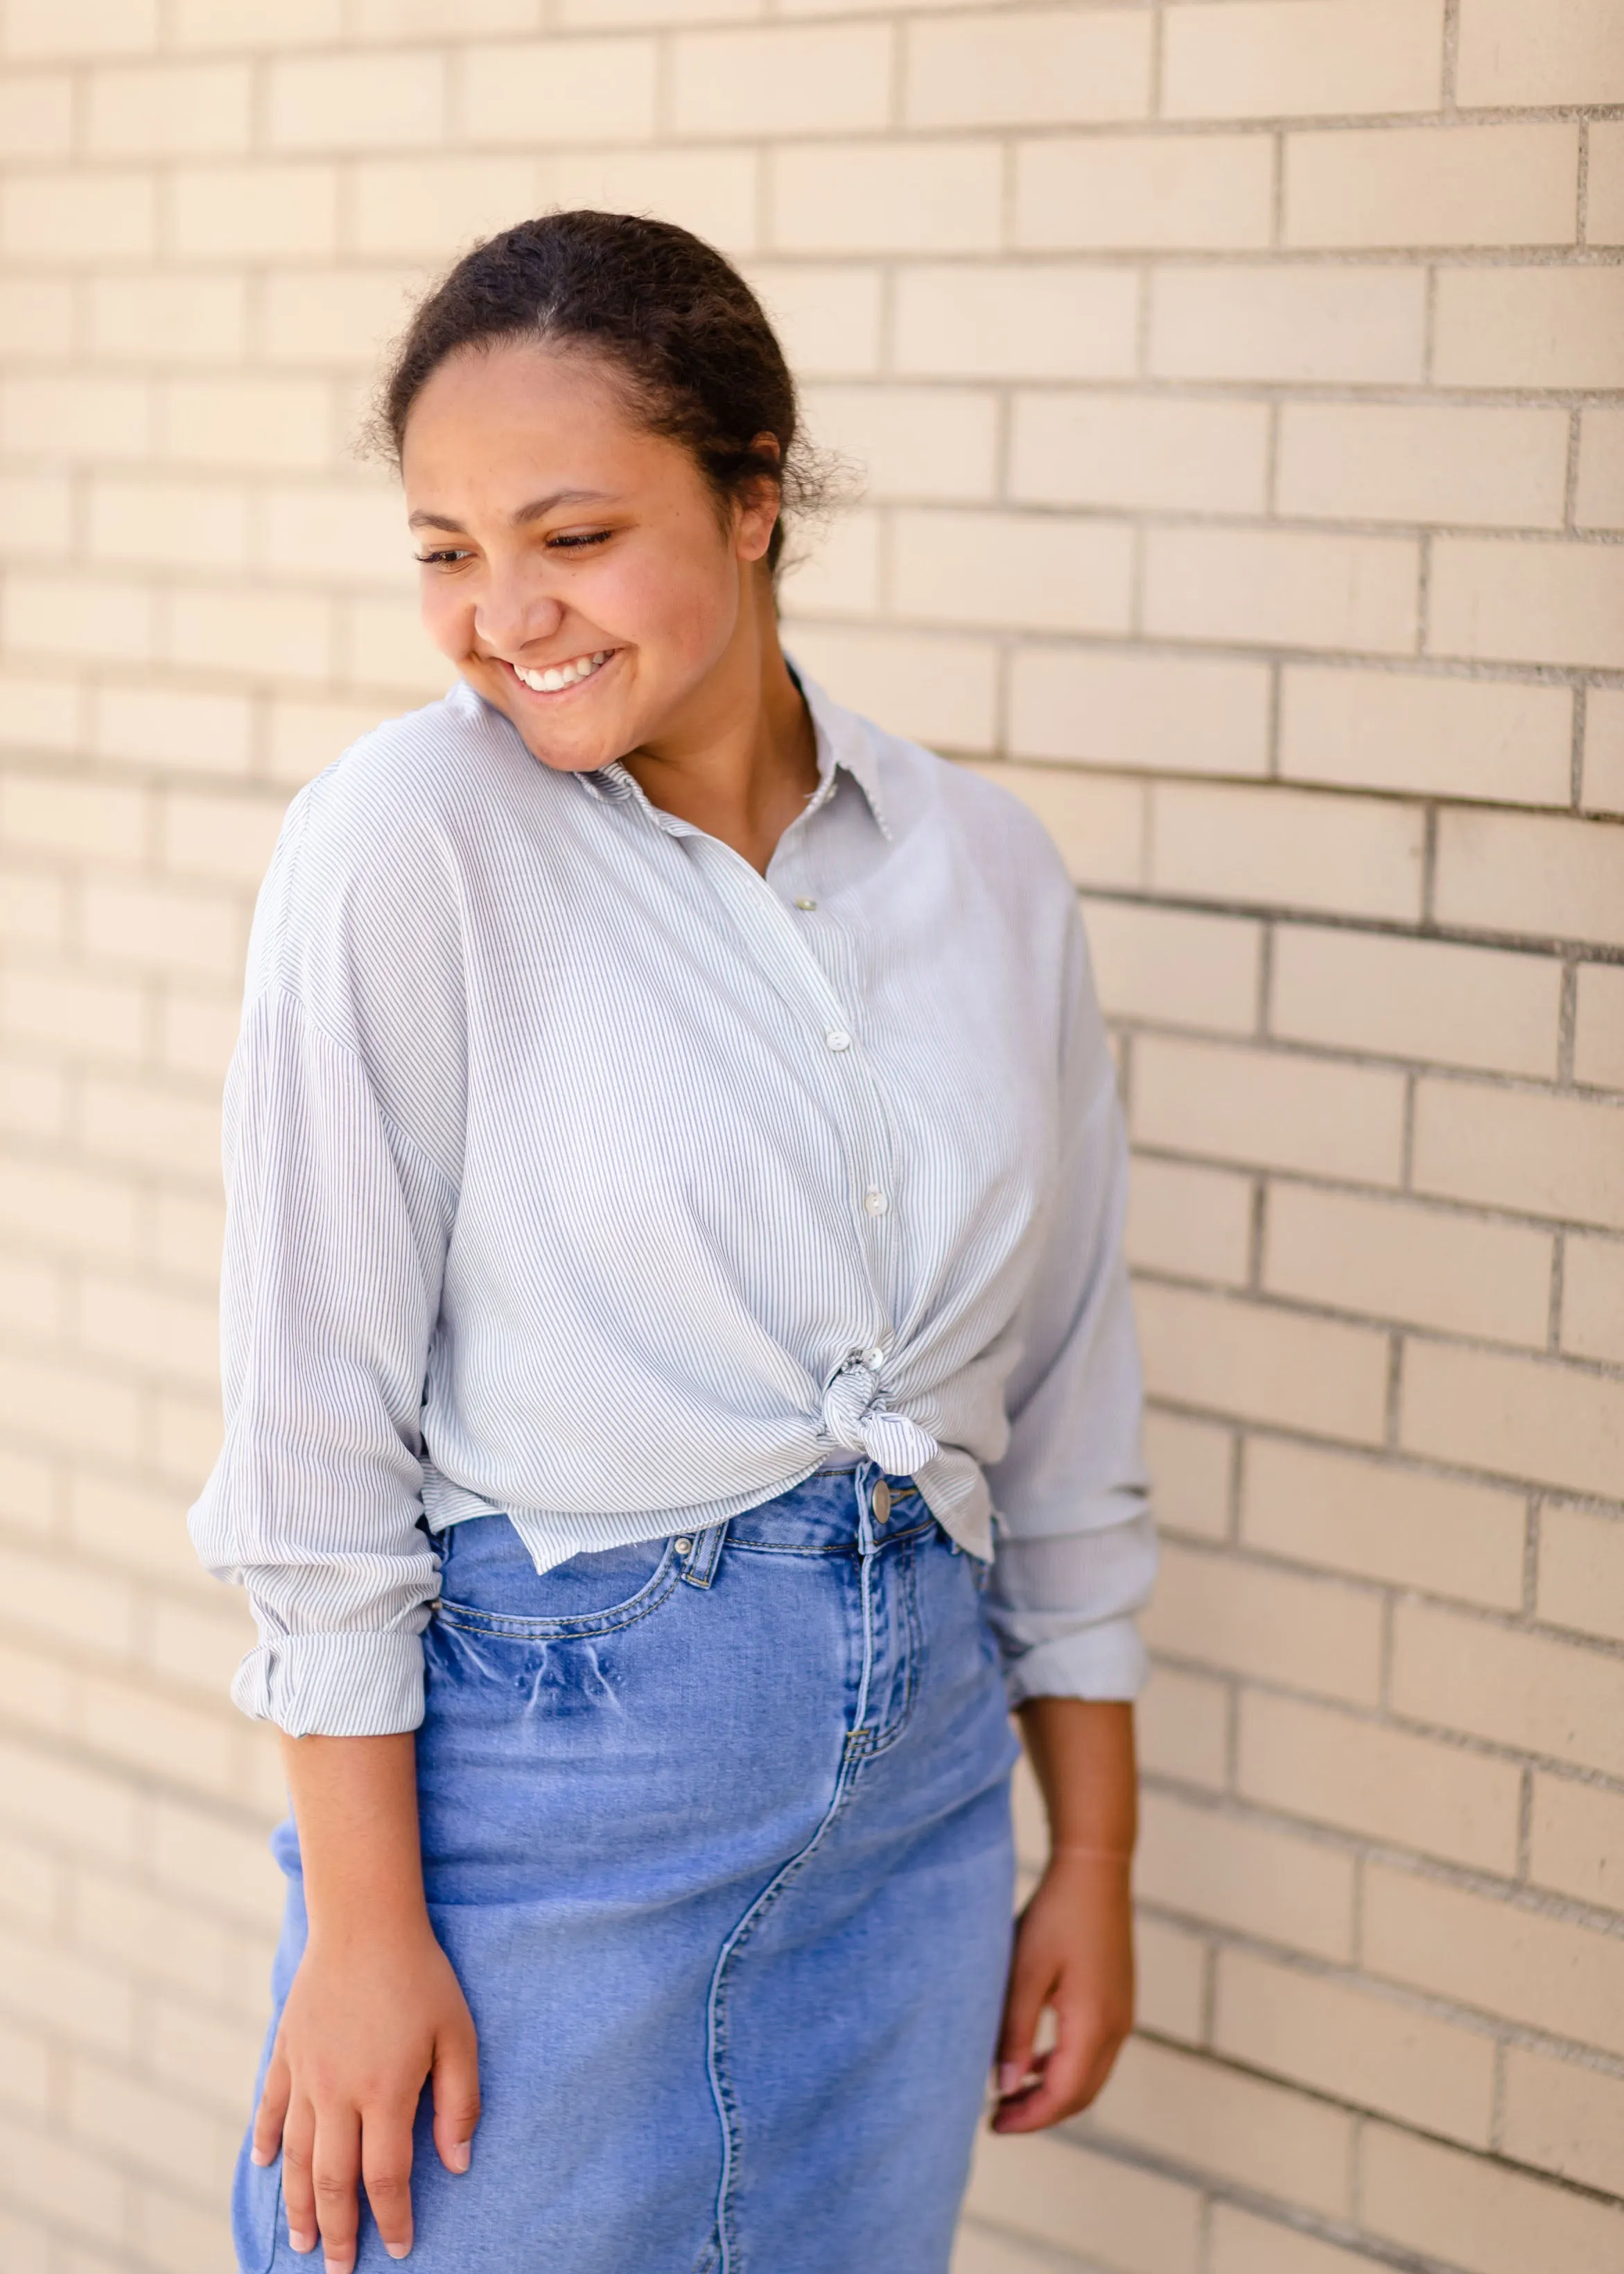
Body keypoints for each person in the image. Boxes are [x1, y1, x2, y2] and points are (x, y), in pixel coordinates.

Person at [191, 209, 1156, 2274]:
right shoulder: (405, 845)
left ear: (751, 502)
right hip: (543, 1821)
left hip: (912, 1820)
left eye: (569, 534)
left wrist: (1091, 1851)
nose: (499, 615)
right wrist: (363, 1938)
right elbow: (312, 1426)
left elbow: (1064, 1389)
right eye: (447, 550)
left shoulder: (986, 874)